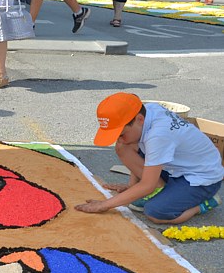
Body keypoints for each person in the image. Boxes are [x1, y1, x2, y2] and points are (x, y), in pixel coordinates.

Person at [75, 93, 223, 224]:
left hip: (200, 179)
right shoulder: (148, 111)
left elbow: (147, 185)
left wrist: (104, 205)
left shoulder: (158, 135)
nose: (120, 139)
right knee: (123, 146)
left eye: (121, 133)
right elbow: (142, 147)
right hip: (176, 167)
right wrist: (132, 187)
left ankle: (204, 204)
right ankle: (161, 187)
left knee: (155, 212)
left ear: (139, 119)